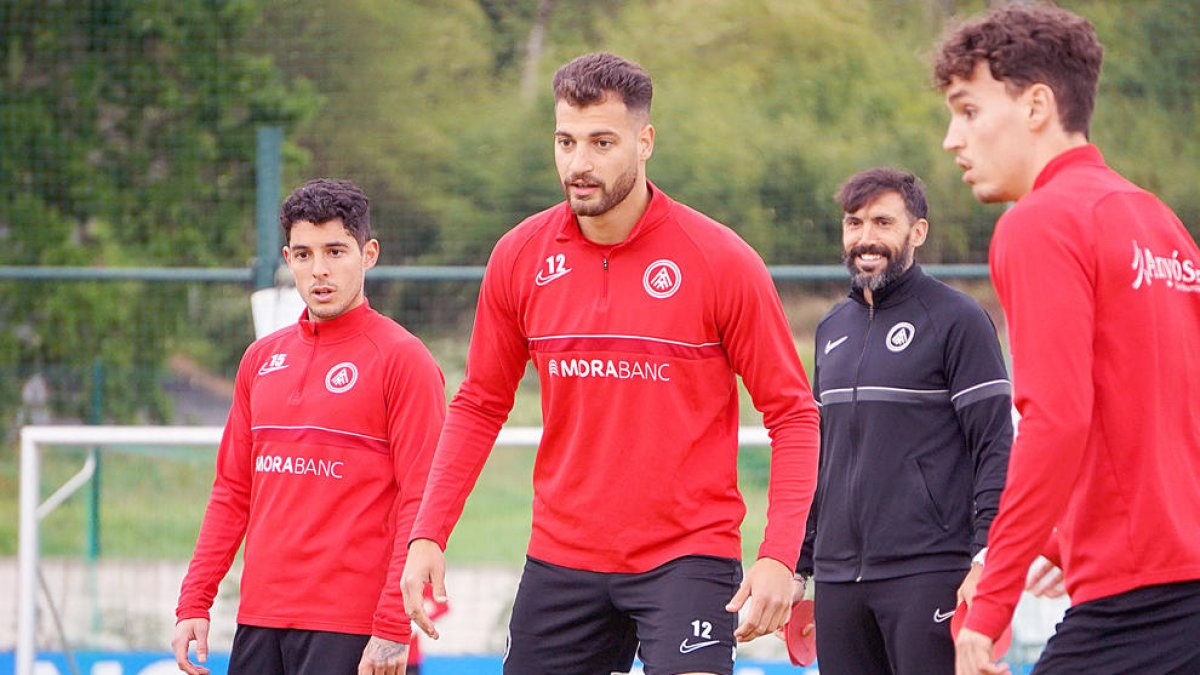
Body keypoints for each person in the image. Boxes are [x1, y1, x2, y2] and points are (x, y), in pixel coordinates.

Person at [401, 52, 820, 675]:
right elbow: (480, 404)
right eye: (566, 141)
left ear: (645, 141)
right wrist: (428, 532)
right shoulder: (518, 256)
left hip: (688, 560)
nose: (579, 164)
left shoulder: (719, 260)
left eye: (602, 142)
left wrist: (779, 556)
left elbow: (793, 415)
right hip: (562, 558)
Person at [936, 4, 1200, 674]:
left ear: (1037, 105)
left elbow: (1056, 419)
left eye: (968, 110)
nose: (951, 138)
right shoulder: (1158, 220)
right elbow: (1149, 414)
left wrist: (990, 608)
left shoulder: (1041, 222)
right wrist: (1060, 537)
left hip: (1140, 606)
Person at [171, 178, 447, 675]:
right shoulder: (261, 359)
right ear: (288, 259)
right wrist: (194, 601)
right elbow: (232, 492)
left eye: (335, 251)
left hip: (352, 628)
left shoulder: (405, 361)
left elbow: (421, 505)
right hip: (259, 620)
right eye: (303, 254)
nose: (319, 270)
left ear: (369, 254)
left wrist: (391, 624)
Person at [794, 168, 1012, 675]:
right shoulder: (832, 328)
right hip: (837, 579)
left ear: (917, 232)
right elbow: (820, 454)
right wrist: (801, 565)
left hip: (929, 572)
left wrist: (987, 558)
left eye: (882, 223)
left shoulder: (958, 320)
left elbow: (995, 446)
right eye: (853, 224)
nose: (865, 239)